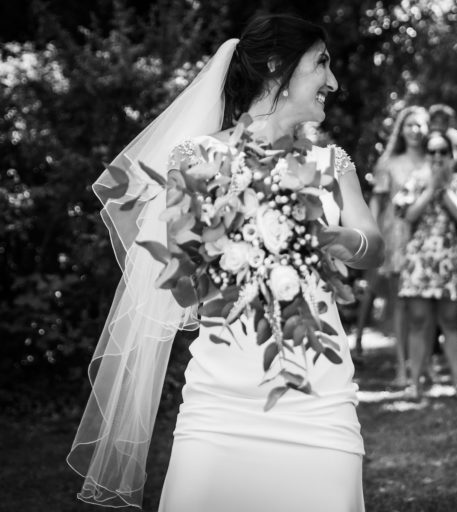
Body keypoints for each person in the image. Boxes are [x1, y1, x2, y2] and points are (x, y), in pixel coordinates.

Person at [68, 15, 383, 512]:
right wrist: (237, 247)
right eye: (322, 63)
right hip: (222, 399)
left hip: (319, 394)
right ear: (278, 66)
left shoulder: (332, 162)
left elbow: (375, 245)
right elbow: (184, 290)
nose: (334, 81)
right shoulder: (193, 159)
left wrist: (347, 240)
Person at [397, 130, 457, 399]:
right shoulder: (415, 180)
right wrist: (430, 188)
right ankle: (415, 384)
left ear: (451, 154)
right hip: (419, 260)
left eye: (442, 151)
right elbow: (408, 215)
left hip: (448, 259)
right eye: (432, 151)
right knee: (419, 322)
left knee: (450, 322)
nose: (437, 156)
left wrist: (442, 189)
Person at [360, 105, 430, 386]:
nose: (414, 130)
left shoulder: (433, 159)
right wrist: (369, 234)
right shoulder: (388, 163)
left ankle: (423, 365)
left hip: (428, 236)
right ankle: (402, 366)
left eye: (419, 125)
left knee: (425, 305)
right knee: (400, 303)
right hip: (397, 236)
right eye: (409, 125)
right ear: (401, 129)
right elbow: (377, 201)